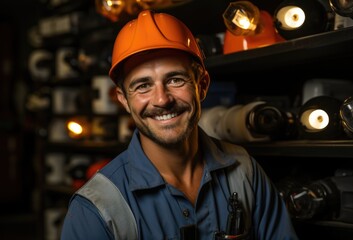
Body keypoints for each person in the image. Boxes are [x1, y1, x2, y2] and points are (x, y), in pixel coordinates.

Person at [60, 9, 299, 240]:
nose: (162, 100)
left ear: (202, 85)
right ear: (123, 99)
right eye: (143, 85)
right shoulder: (97, 208)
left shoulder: (244, 171)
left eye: (175, 79)